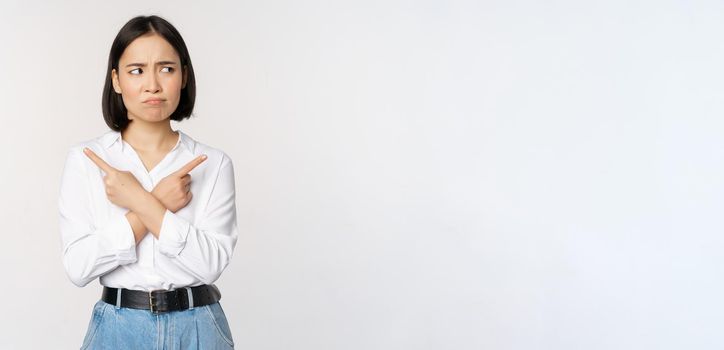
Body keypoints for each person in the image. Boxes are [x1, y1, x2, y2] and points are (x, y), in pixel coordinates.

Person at [58, 15, 238, 349]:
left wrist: (139, 200)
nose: (152, 84)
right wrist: (156, 202)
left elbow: (210, 265)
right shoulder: (86, 160)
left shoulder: (214, 164)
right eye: (137, 70)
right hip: (117, 326)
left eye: (167, 68)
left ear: (183, 76)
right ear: (116, 80)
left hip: (199, 326)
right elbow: (79, 267)